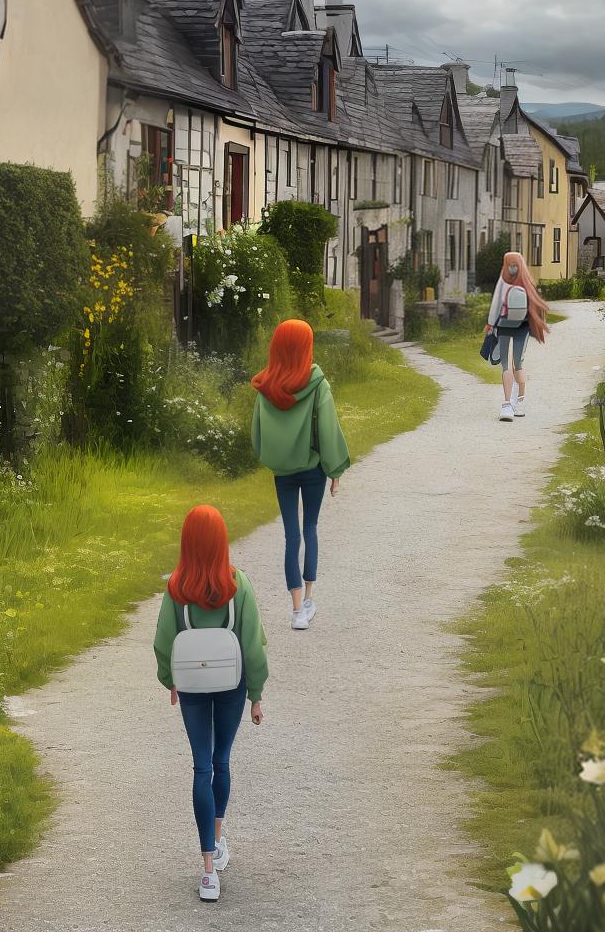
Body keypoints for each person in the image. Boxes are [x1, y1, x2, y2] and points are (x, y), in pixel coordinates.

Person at [153, 505, 269, 903]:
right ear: (221, 542)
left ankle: (207, 871)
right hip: (232, 685)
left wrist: (172, 681)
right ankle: (218, 841)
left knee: (200, 765)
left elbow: (163, 641)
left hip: (193, 690)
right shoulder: (238, 585)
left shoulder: (175, 588)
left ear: (187, 541)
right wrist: (255, 694)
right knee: (221, 761)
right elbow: (253, 646)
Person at [251, 319, 350, 629]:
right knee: (310, 528)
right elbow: (328, 429)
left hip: (282, 472)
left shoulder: (265, 386)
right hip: (312, 470)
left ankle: (295, 611)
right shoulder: (317, 384)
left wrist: (274, 458)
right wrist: (334, 469)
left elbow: (256, 434)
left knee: (290, 535)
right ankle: (308, 599)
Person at [484, 251, 550, 422]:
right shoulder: (526, 280)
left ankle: (507, 405)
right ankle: (518, 404)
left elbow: (496, 303)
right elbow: (534, 306)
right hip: (522, 327)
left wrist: (491, 324)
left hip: (505, 325)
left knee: (507, 366)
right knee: (518, 364)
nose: (512, 268)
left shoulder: (503, 280)